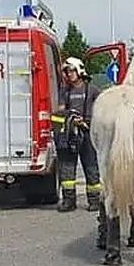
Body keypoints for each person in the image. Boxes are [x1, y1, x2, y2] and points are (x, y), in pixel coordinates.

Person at [51, 57, 103, 213]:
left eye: (71, 70)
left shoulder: (92, 90)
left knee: (91, 166)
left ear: (79, 70)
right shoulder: (65, 92)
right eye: (67, 71)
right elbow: (60, 112)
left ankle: (94, 200)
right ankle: (69, 201)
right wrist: (70, 119)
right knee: (67, 167)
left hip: (87, 133)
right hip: (70, 133)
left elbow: (101, 110)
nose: (69, 74)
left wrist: (89, 122)